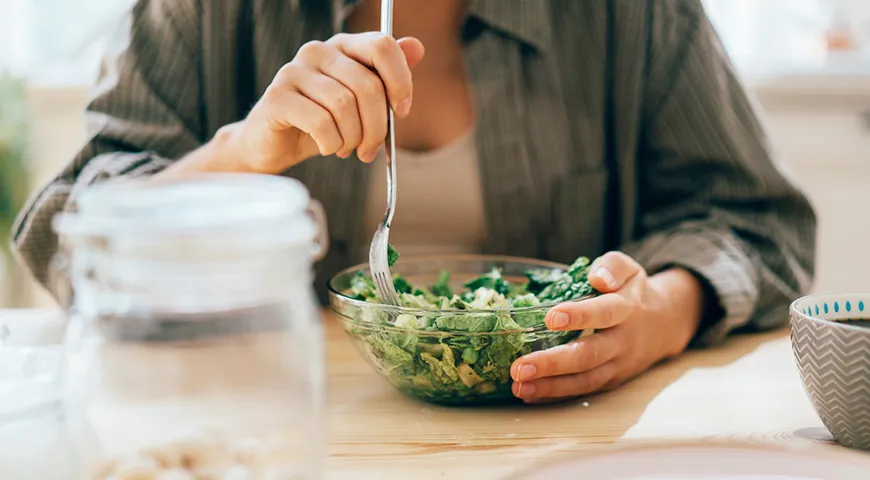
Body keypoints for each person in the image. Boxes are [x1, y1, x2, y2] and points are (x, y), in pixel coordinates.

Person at [12, 0, 816, 404]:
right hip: (274, 421)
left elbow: (759, 221)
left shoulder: (629, 16)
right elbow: (64, 241)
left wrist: (660, 317)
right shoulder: (205, 13)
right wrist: (242, 154)